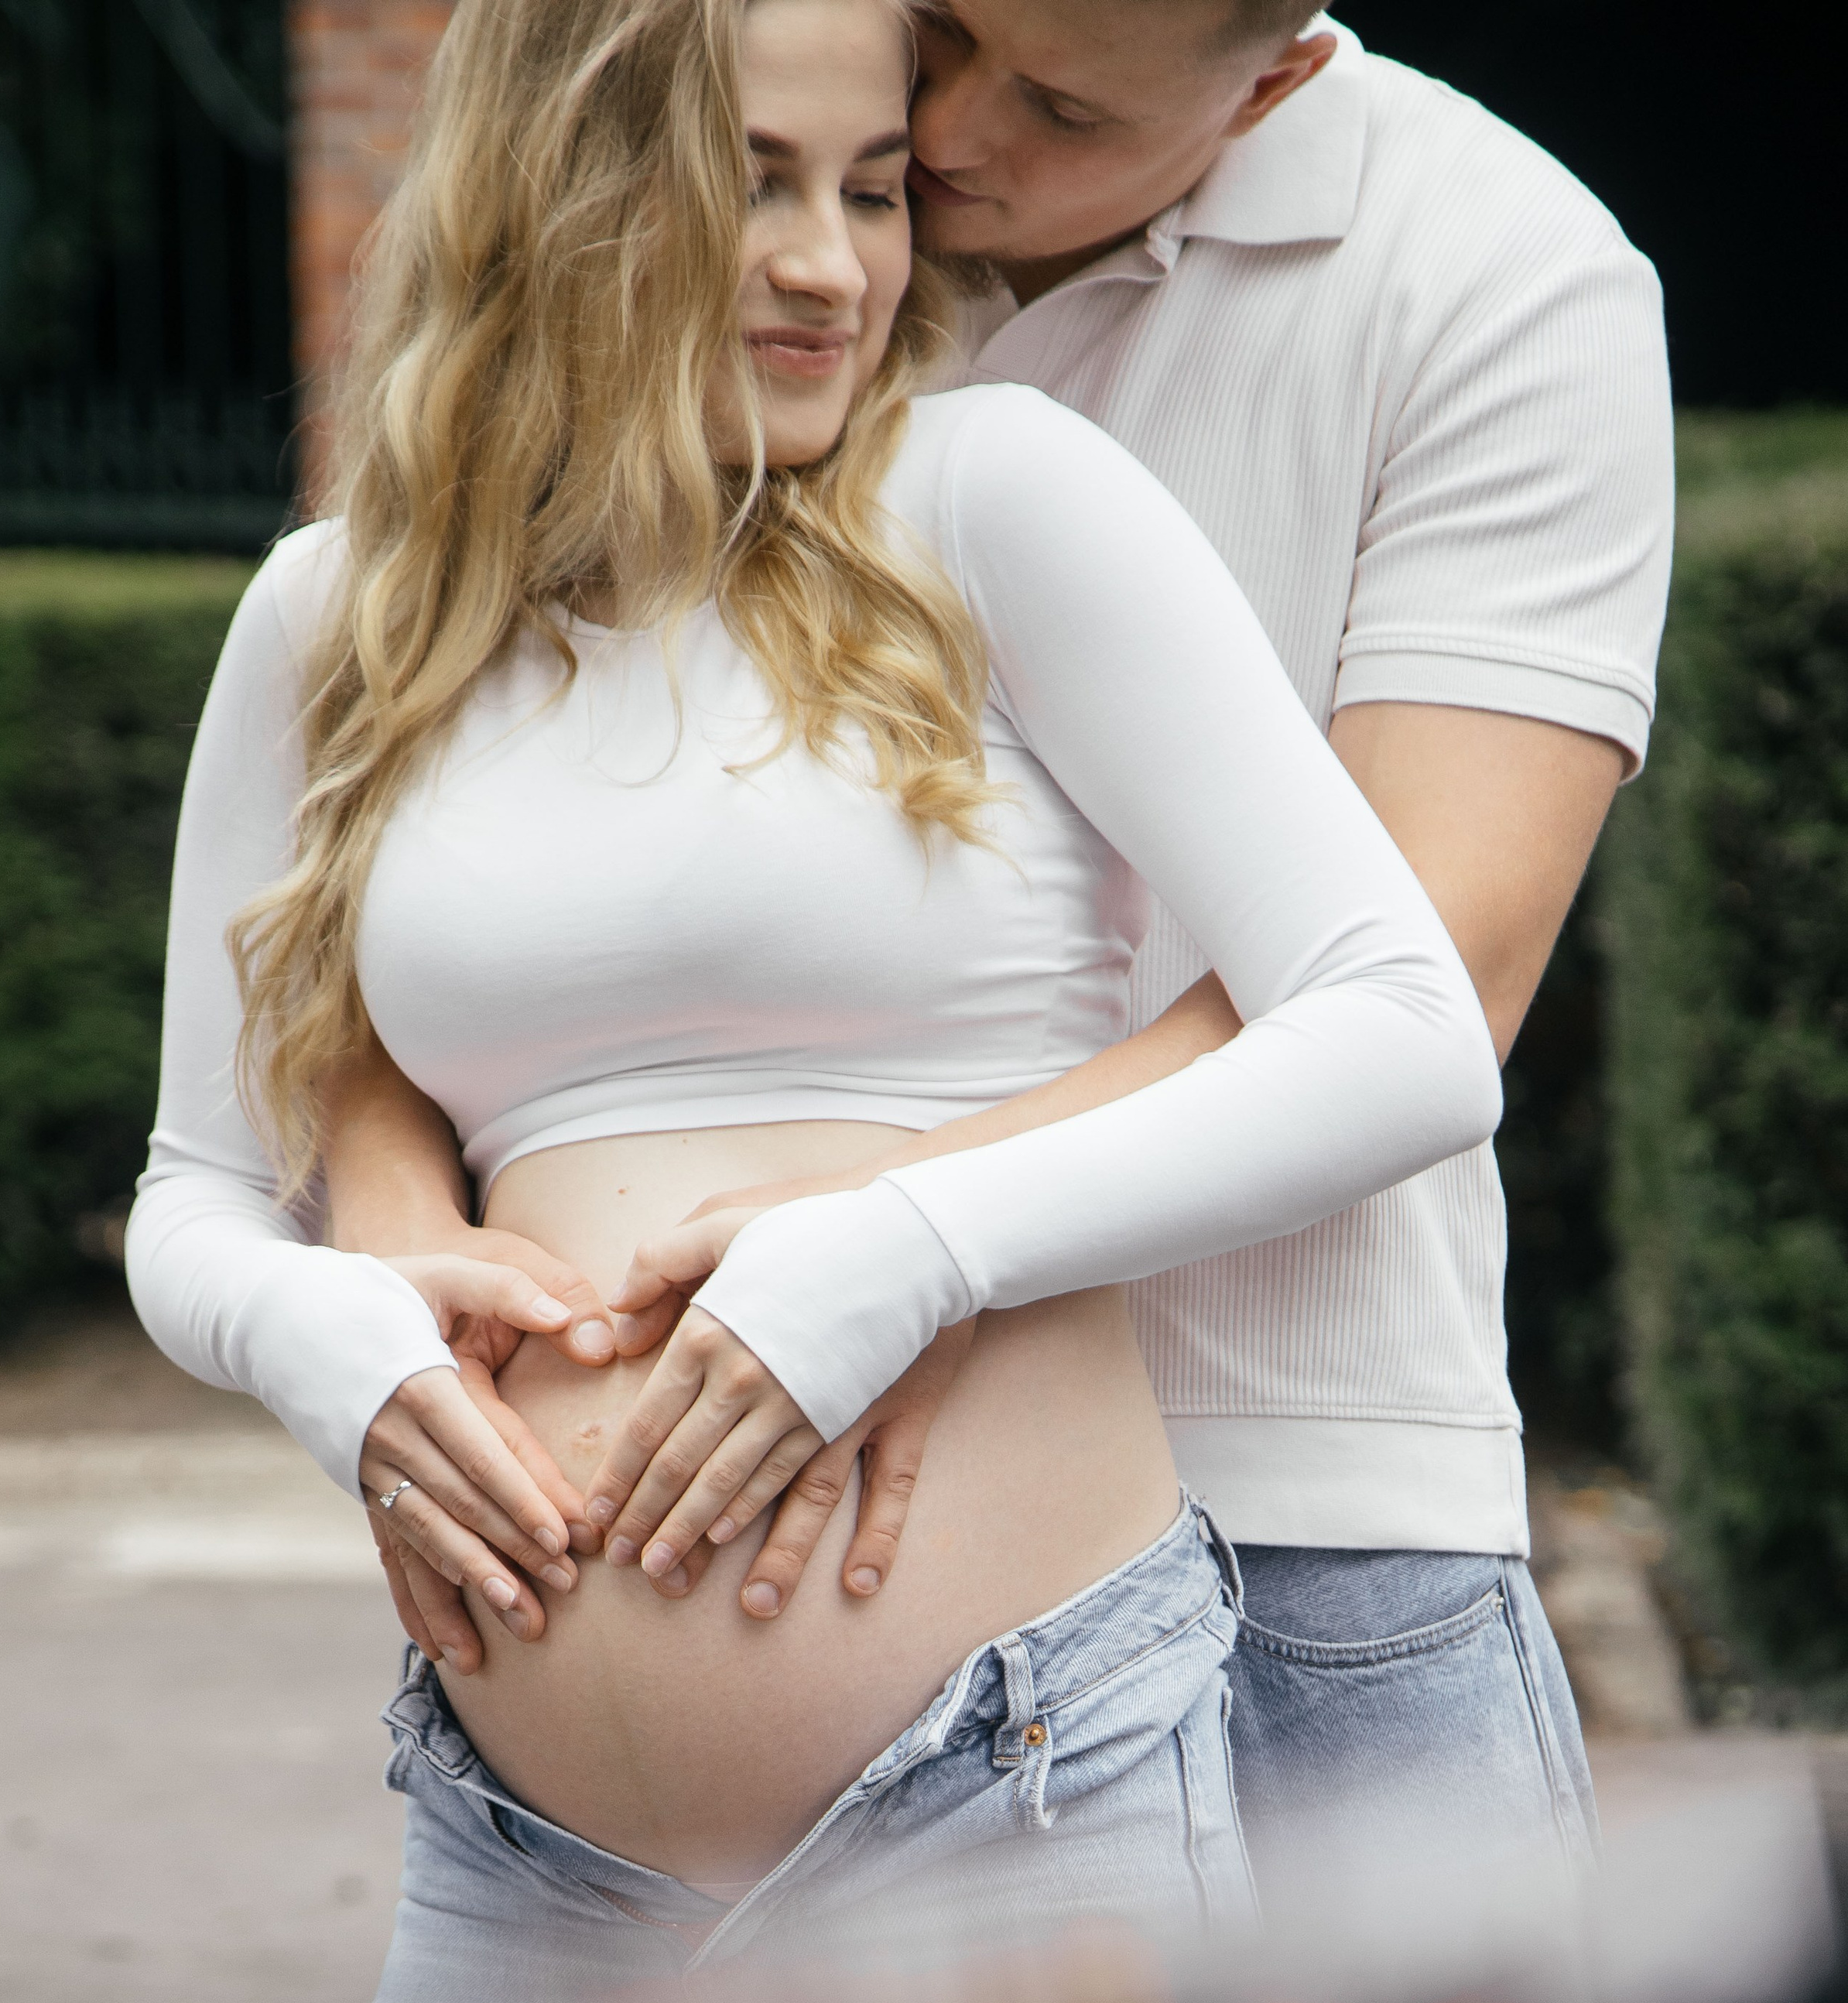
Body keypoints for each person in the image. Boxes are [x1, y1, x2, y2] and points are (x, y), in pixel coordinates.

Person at [126, 0, 1497, 2003]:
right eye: (752, 178)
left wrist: (905, 1249)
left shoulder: (1000, 494)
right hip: (523, 1869)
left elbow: (1402, 1030)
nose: (833, 264)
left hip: (1015, 1801)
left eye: (872, 189)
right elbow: (196, 1193)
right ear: (560, 180)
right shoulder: (337, 617)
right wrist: (320, 1341)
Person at [334, 0, 1673, 1895]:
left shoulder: (1498, 278)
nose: (943, 134)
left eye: (1049, 104)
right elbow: (424, 827)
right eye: (941, 35)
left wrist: (885, 1249)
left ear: (1272, 80)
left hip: (1295, 1497)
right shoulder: (786, 218)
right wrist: (389, 1240)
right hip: (685, 1574)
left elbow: (1431, 969)